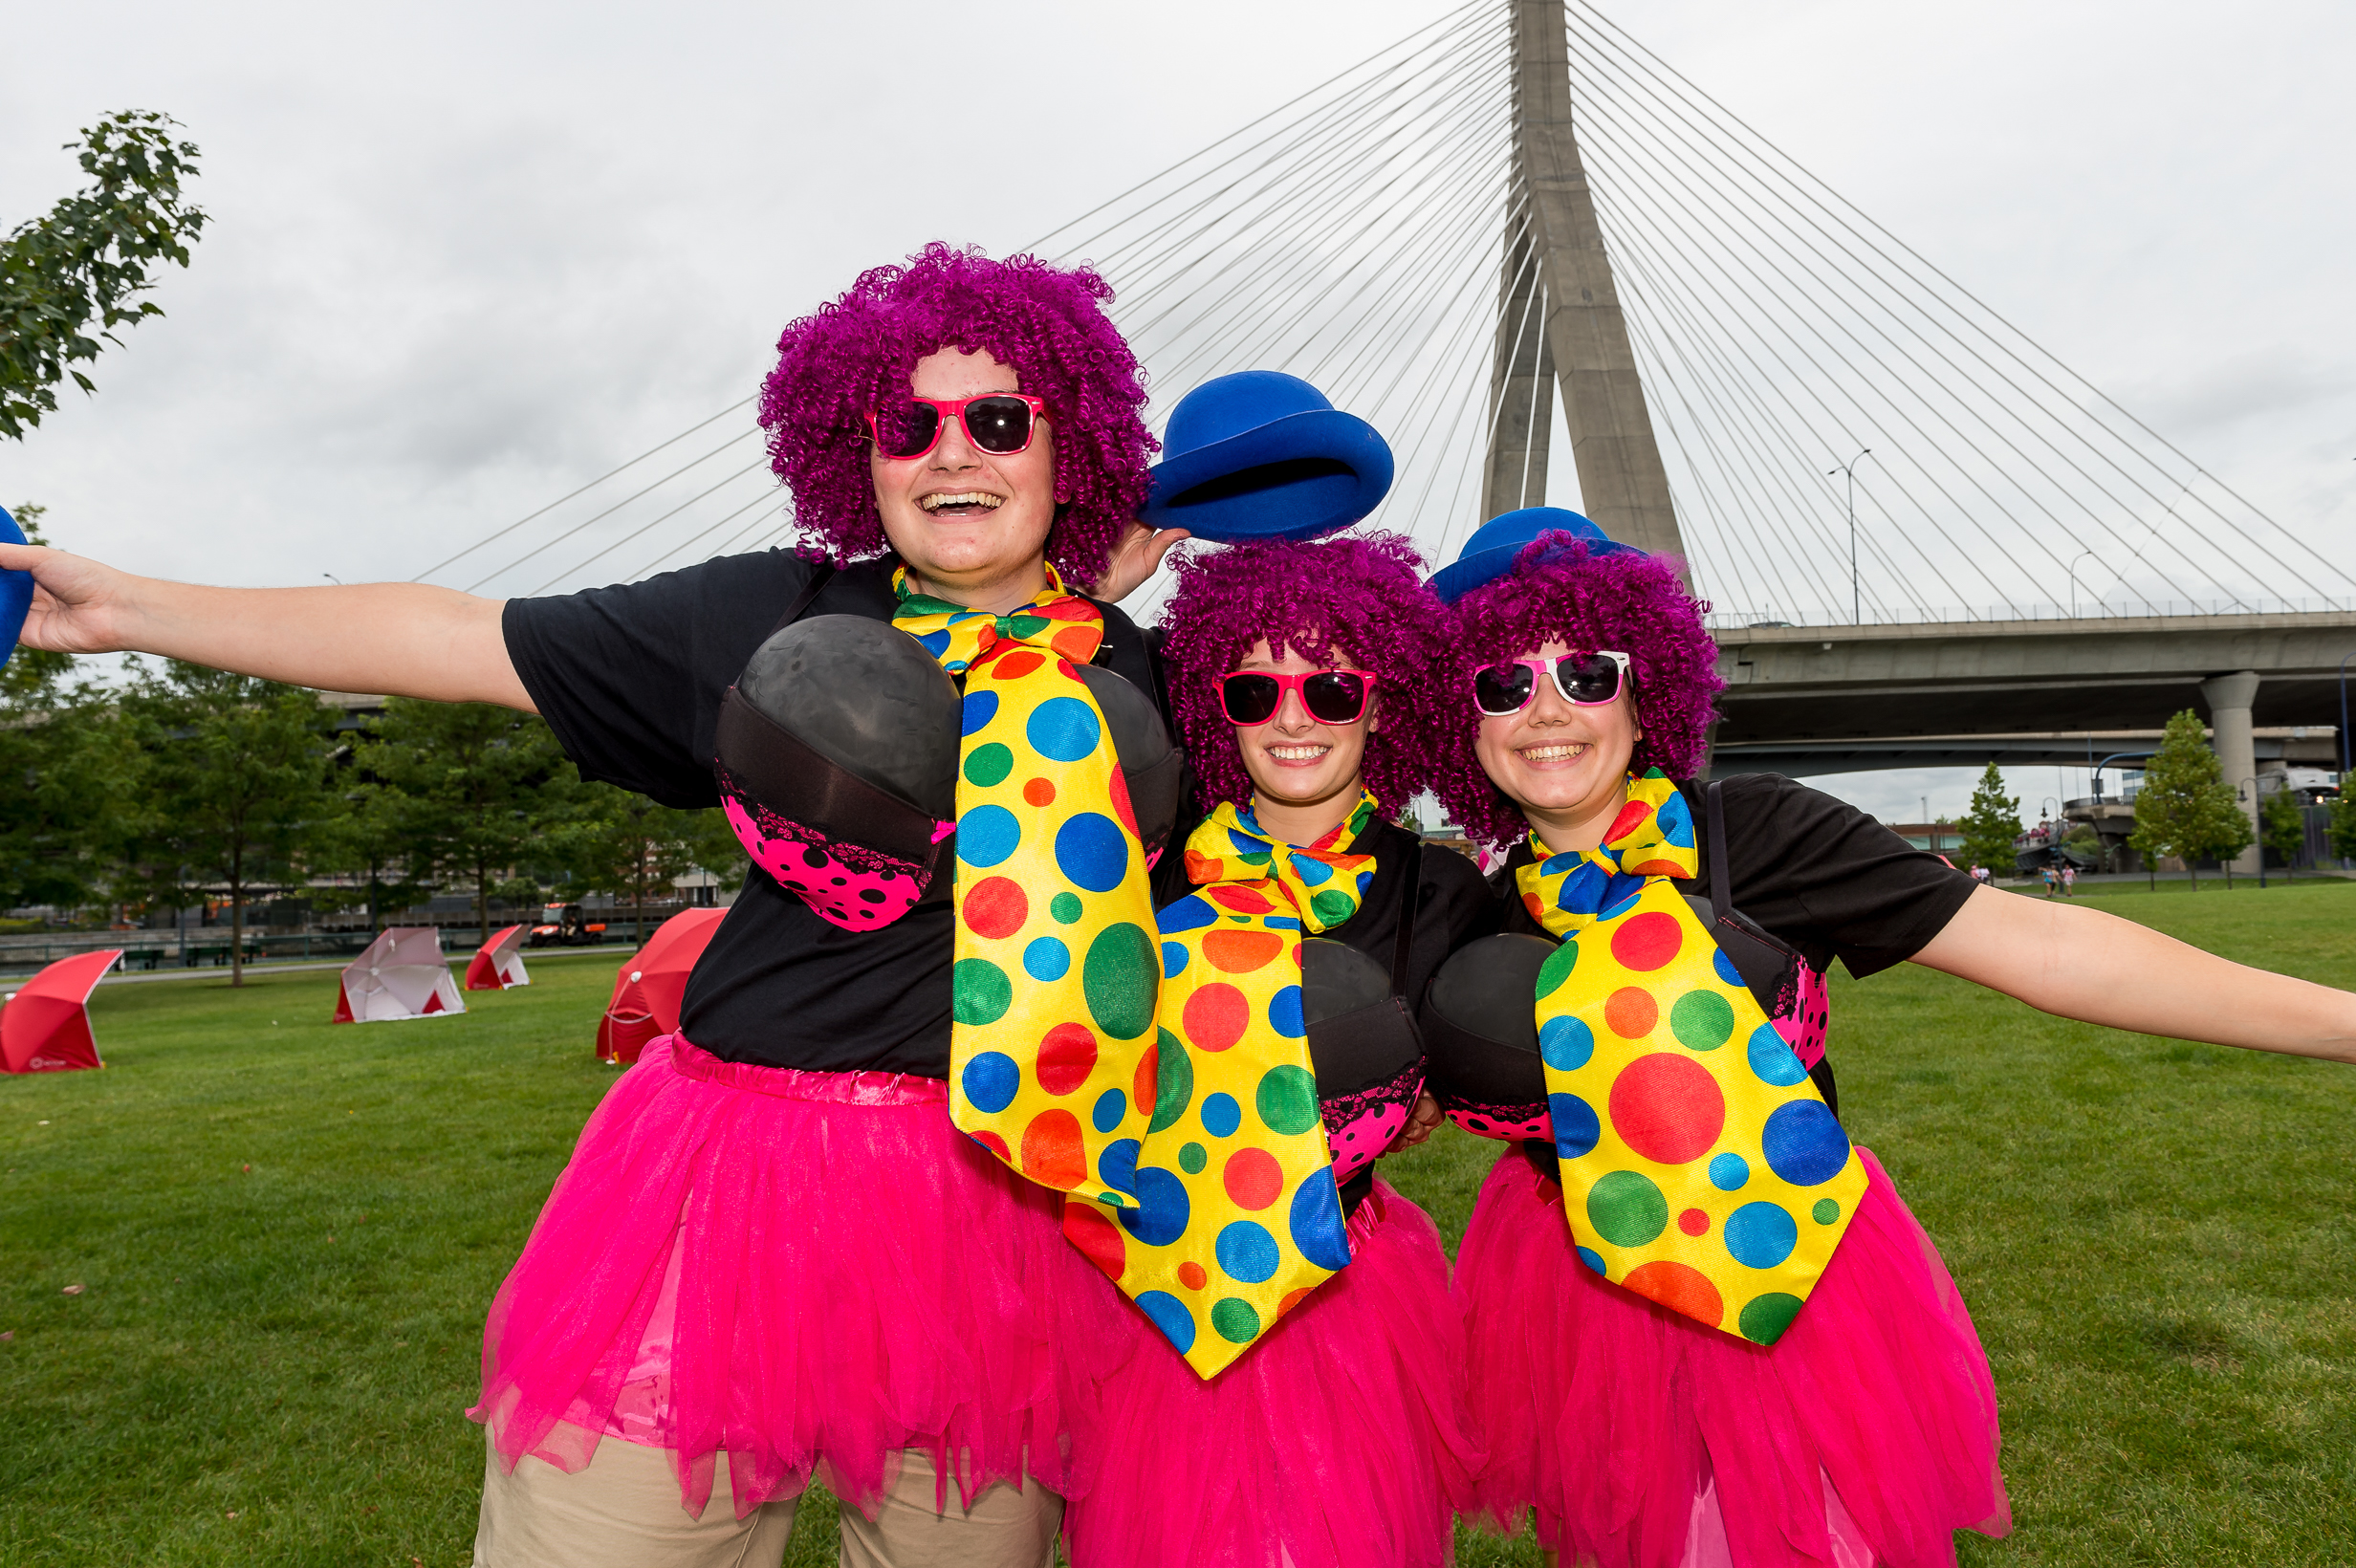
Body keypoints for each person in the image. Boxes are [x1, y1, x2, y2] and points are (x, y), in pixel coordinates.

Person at [0, 243, 1196, 1567]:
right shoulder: (770, 615)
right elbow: (458, 637)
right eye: (905, 424)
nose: (950, 453)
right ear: (855, 451)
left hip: (1007, 1226)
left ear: (1070, 443)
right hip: (730, 1192)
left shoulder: (1154, 679)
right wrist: (127, 608)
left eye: (1001, 421)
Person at [1419, 508, 2356, 1568]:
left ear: (1646, 696)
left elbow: (2049, 949)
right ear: (1467, 723)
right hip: (1573, 1305)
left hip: (1793, 1268)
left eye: (1588, 673)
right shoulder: (1469, 909)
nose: (1546, 708)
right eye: (1504, 682)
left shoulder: (1759, 832)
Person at [1058, 531, 1492, 1568]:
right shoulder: (1148, 865)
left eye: (1332, 689)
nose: (1293, 718)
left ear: (1381, 706)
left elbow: (1490, 1054)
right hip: (1151, 1285)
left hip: (1348, 1285)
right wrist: (1082, 599)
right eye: (1256, 690)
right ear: (1222, 709)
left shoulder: (1443, 892)